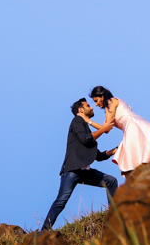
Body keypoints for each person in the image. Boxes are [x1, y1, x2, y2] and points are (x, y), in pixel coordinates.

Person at [40, 98, 119, 231]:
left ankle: (113, 217)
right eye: (88, 105)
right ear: (81, 110)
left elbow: (98, 156)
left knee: (111, 181)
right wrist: (102, 129)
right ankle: (45, 230)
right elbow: (86, 139)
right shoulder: (77, 121)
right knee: (61, 201)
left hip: (84, 172)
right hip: (72, 170)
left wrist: (115, 150)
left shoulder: (85, 127)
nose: (92, 107)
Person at [87, 86, 150, 180]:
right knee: (136, 157)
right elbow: (104, 128)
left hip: (133, 127)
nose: (96, 104)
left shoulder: (110, 103)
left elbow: (106, 129)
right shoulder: (115, 101)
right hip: (138, 125)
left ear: (102, 97)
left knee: (131, 160)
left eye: (96, 100)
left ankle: (136, 185)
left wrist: (87, 120)